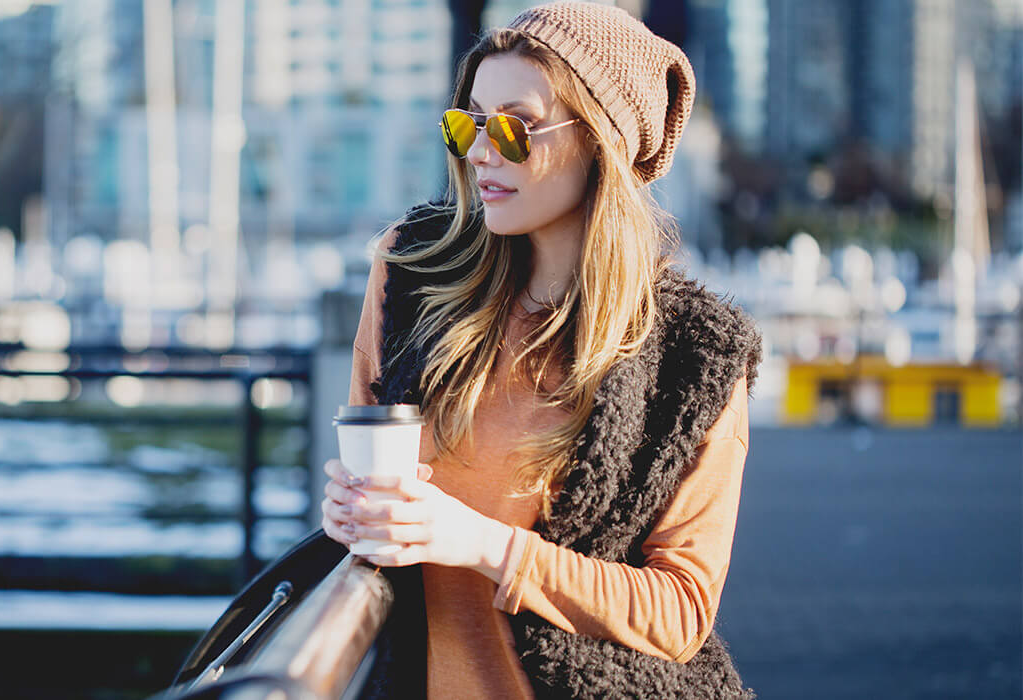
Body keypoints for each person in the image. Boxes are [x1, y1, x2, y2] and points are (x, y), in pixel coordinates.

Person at [319, 2, 761, 698]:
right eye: (468, 123)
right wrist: (348, 513)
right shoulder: (414, 275)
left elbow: (681, 610)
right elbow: (372, 484)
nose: (481, 152)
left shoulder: (693, 356)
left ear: (599, 140)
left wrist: (485, 545)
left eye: (516, 128)